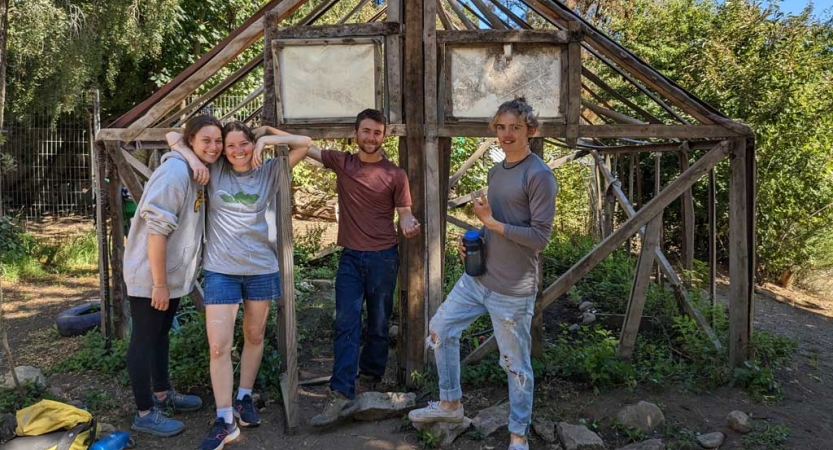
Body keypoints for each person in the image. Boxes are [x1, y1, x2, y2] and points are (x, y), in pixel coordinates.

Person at [408, 98, 558, 450]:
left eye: (515, 128)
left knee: (515, 365)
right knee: (440, 330)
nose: (506, 134)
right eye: (501, 127)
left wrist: (491, 222)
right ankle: (450, 404)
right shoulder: (497, 170)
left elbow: (540, 238)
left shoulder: (540, 176)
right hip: (478, 279)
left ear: (530, 131)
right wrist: (476, 241)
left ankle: (518, 435)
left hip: (512, 289)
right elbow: (498, 225)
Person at [167, 122, 312, 450]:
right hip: (221, 271)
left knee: (254, 336)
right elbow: (174, 136)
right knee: (218, 346)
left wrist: (264, 140)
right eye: (229, 146)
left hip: (261, 268)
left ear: (251, 144)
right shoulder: (214, 168)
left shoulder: (269, 169)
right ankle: (224, 418)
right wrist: (191, 160)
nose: (236, 151)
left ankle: (244, 397)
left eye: (242, 144)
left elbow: (304, 142)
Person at [308, 108, 420, 426]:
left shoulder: (395, 174)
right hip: (351, 258)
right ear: (355, 133)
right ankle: (342, 393)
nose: (371, 137)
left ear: (384, 136)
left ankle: (371, 379)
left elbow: (406, 212)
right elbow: (302, 145)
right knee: (346, 323)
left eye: (377, 132)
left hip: (384, 256)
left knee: (380, 323)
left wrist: (409, 223)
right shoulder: (343, 162)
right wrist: (265, 133)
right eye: (366, 131)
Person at [123, 115, 223, 437]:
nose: (214, 146)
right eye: (205, 140)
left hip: (171, 273)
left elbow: (173, 137)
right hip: (152, 275)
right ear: (191, 140)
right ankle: (144, 412)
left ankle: (163, 393)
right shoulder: (176, 173)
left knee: (160, 335)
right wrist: (160, 284)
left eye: (217, 140)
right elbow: (156, 231)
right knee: (143, 339)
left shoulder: (194, 169)